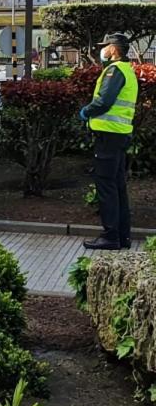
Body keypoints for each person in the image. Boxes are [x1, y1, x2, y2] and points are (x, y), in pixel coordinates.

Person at [79, 33, 138, 250]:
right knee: (117, 186)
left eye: (105, 47)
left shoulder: (114, 71)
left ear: (114, 49)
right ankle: (123, 236)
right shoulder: (127, 71)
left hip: (108, 135)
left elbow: (104, 101)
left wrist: (86, 111)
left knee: (106, 186)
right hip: (119, 135)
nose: (102, 50)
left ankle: (110, 236)